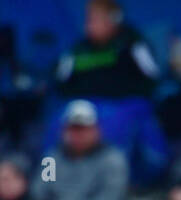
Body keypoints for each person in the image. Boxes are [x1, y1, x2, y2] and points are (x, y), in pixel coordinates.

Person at [54, 0, 167, 183]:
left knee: (113, 125)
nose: (90, 26)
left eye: (96, 20)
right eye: (88, 20)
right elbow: (60, 81)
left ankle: (109, 182)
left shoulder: (131, 43)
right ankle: (52, 182)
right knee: (58, 124)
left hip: (125, 104)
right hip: (86, 103)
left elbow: (152, 77)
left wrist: (118, 94)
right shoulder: (78, 49)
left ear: (113, 20)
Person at [32, 99, 129, 200]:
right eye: (73, 129)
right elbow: (39, 192)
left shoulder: (112, 159)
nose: (78, 134)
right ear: (64, 131)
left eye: (84, 129)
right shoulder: (52, 158)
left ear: (96, 130)